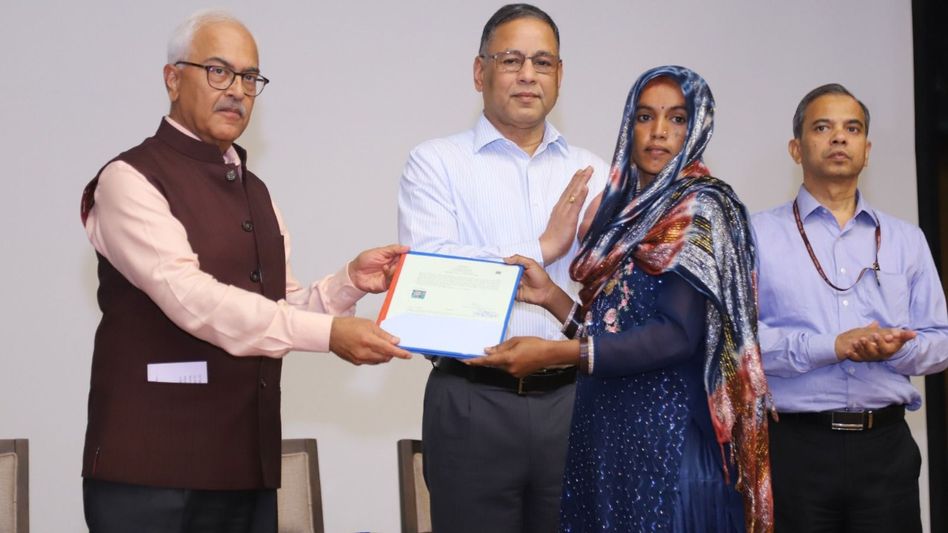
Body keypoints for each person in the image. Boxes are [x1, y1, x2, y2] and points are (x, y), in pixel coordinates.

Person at [79, 10, 410, 532]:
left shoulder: (255, 189)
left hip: (244, 466)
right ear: (172, 78)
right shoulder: (129, 179)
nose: (236, 90)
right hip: (151, 474)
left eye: (249, 77)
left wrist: (349, 281)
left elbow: (276, 310)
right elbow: (195, 302)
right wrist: (328, 334)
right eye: (218, 71)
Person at [471, 65, 773, 532]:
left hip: (669, 444)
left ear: (698, 128)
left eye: (676, 119)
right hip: (610, 436)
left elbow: (675, 337)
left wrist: (556, 354)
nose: (658, 133)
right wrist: (553, 298)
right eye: (645, 116)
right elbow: (617, 329)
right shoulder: (627, 213)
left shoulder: (702, 208)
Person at [396, 4, 608, 532]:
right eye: (511, 60)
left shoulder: (596, 170)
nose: (528, 75)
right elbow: (432, 280)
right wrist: (542, 245)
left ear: (560, 75)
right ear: (479, 72)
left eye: (543, 62)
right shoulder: (436, 162)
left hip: (574, 402)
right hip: (472, 401)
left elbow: (612, 300)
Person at [753, 83, 948, 532]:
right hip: (796, 450)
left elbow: (938, 342)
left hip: (886, 451)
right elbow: (740, 345)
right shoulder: (756, 235)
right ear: (796, 148)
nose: (839, 138)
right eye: (823, 127)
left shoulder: (906, 240)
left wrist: (894, 350)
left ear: (867, 149)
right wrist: (833, 346)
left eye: (852, 128)